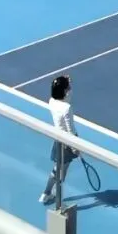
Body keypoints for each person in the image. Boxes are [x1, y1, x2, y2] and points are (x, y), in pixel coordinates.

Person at [39, 74, 77, 208]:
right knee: (62, 172)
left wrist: (64, 81)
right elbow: (70, 130)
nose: (70, 90)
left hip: (58, 140)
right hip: (68, 142)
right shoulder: (67, 108)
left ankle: (46, 193)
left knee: (56, 169)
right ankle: (57, 197)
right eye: (68, 88)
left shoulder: (52, 101)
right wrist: (75, 147)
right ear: (65, 91)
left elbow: (63, 92)